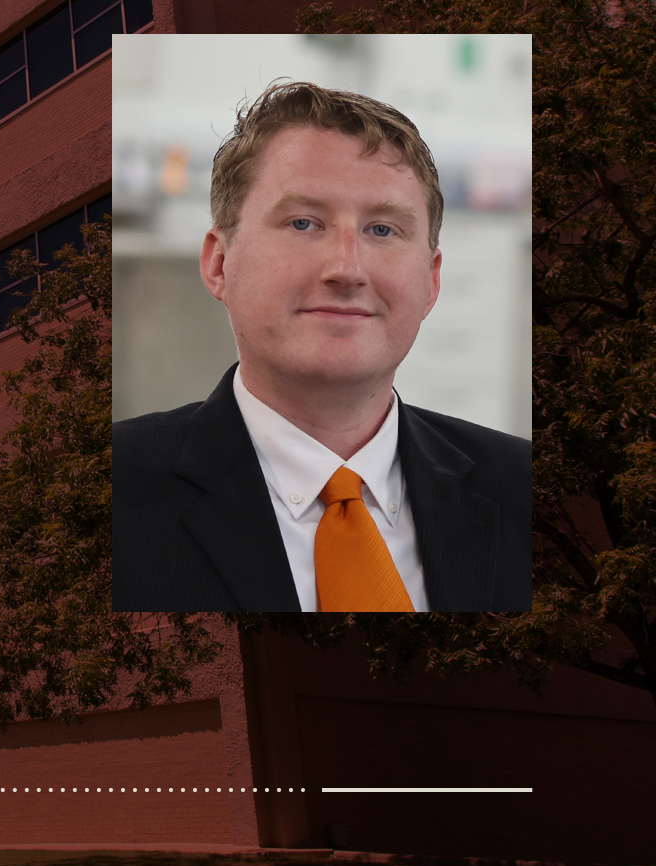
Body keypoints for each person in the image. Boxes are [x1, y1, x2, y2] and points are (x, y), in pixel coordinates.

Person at [112, 81, 530, 613]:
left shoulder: (529, 493)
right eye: (303, 222)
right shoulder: (109, 493)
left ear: (431, 280)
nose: (347, 269)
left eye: (382, 229)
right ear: (220, 263)